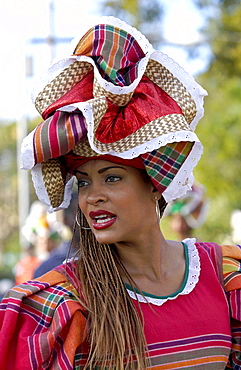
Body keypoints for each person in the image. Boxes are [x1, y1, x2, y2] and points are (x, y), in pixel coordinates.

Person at [0, 16, 241, 370]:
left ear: (154, 182)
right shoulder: (63, 302)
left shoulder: (223, 276)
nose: (91, 196)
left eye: (111, 178)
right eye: (83, 181)